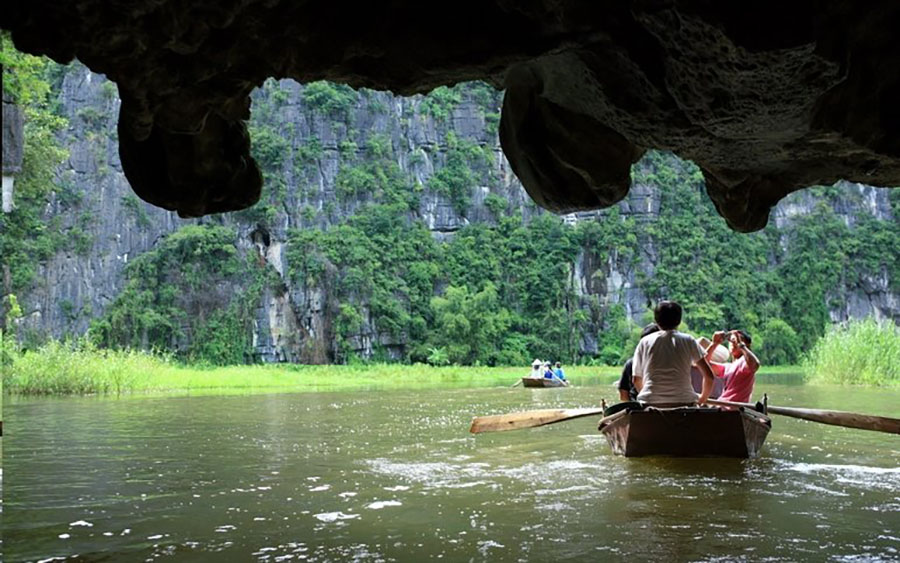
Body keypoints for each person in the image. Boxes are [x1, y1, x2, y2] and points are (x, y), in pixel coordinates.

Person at [632, 301, 715, 406]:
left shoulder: (645, 342)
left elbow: (636, 379)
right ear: (679, 320)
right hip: (685, 402)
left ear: (656, 320)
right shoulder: (688, 340)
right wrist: (702, 399)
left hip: (650, 403)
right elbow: (709, 376)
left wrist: (651, 396)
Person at [704, 330, 760, 404]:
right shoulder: (727, 367)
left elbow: (755, 365)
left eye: (738, 339)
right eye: (731, 340)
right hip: (722, 405)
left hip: (733, 409)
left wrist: (742, 346)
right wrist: (714, 343)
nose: (733, 342)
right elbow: (703, 364)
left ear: (747, 345)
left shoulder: (745, 362)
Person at [618, 323, 660, 402]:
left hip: (641, 407)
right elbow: (623, 393)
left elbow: (623, 394)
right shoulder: (631, 363)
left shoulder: (631, 363)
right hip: (638, 406)